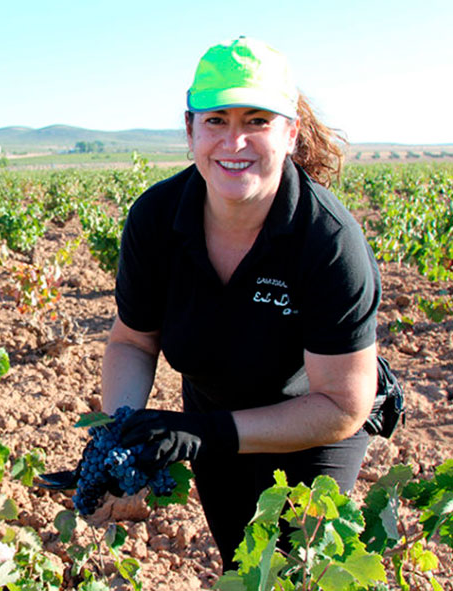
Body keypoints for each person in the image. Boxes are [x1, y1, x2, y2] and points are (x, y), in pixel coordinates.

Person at [105, 36, 381, 569]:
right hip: (213, 413)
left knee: (298, 573)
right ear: (190, 131)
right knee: (244, 569)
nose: (234, 142)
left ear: (290, 133)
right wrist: (120, 434)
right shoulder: (156, 220)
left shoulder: (327, 241)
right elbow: (132, 342)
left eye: (257, 120)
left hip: (313, 422)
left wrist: (204, 435)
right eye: (216, 121)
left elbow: (344, 406)